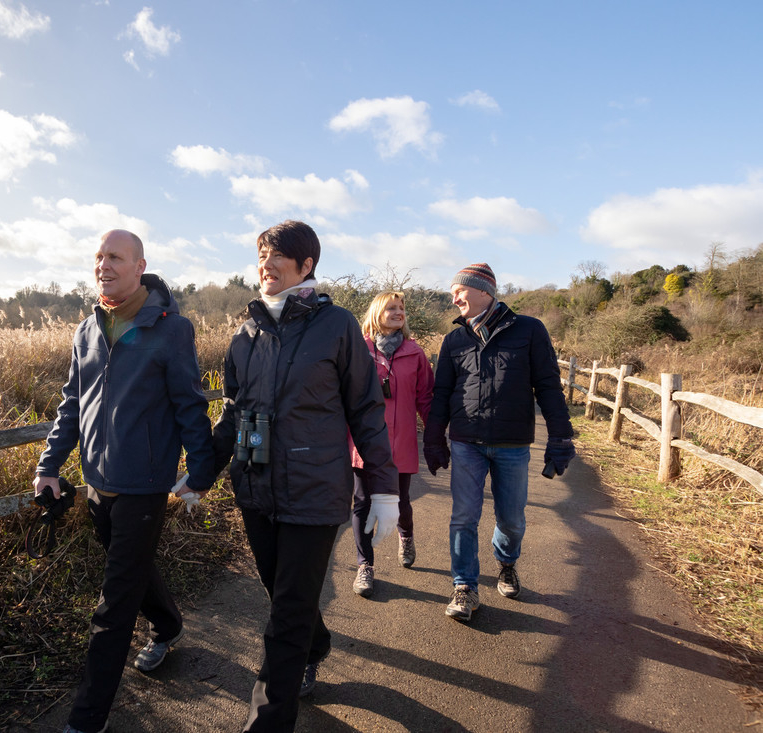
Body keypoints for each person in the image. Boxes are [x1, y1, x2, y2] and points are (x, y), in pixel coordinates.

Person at [211, 220, 399, 732]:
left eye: (276, 256)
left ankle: (267, 722)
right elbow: (233, 414)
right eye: (261, 255)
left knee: (286, 615)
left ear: (306, 265)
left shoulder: (335, 326)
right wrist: (200, 473)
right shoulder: (245, 334)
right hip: (256, 489)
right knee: (283, 591)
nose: (265, 264)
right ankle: (316, 646)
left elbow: (365, 408)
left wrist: (384, 488)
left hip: (315, 491)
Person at [33, 229, 217, 733]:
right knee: (129, 569)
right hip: (97, 484)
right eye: (98, 257)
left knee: (113, 605)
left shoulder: (170, 328)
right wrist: (50, 466)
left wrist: (201, 472)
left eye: (115, 256)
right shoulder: (86, 330)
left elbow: (190, 405)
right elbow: (72, 404)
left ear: (140, 266)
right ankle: (169, 625)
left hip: (144, 486)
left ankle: (87, 719)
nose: (103, 264)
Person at [423, 263, 575, 623]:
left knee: (511, 520)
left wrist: (561, 437)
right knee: (463, 516)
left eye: (460, 290)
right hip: (466, 442)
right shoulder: (454, 340)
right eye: (453, 291)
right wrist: (433, 439)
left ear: (484, 292)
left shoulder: (529, 330)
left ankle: (506, 564)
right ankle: (464, 586)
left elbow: (549, 387)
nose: (454, 296)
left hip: (512, 444)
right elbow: (442, 392)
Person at [349, 291, 435, 598]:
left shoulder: (416, 353)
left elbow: (426, 396)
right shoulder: (358, 349)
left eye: (401, 308)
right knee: (362, 503)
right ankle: (364, 566)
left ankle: (406, 536)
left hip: (401, 443)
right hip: (363, 441)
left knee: (400, 501)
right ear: (376, 312)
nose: (398, 312)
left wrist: (436, 433)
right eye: (391, 308)